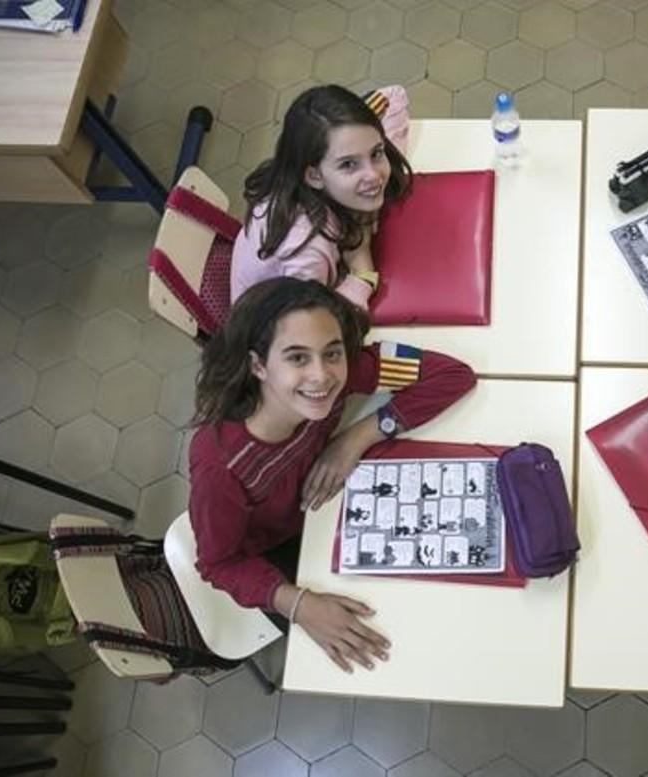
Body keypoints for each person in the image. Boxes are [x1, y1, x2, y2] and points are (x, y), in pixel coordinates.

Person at [188, 277, 476, 671]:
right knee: (395, 638)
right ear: (258, 365)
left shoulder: (347, 369)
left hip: (329, 505)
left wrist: (356, 437)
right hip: (276, 553)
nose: (322, 376)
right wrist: (300, 605)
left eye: (332, 353)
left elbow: (452, 375)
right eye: (296, 357)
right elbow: (219, 564)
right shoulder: (220, 467)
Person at [230, 85, 412, 309]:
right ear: (314, 175)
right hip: (274, 324)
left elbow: (393, 96)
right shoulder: (307, 254)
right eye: (348, 164)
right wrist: (362, 272)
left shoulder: (303, 172)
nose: (374, 175)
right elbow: (315, 332)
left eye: (376, 153)